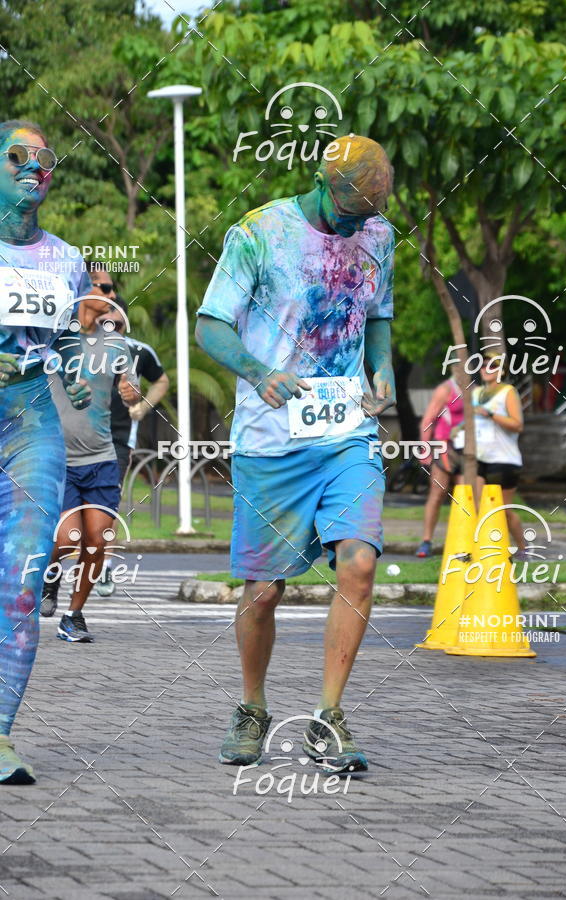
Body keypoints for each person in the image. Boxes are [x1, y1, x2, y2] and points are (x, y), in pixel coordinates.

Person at [196, 134, 395, 773]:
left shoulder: (379, 236)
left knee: (359, 564)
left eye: (367, 213)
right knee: (263, 592)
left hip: (345, 434)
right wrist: (258, 372)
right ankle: (252, 706)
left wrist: (382, 370)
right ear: (321, 181)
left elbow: (380, 313)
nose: (355, 224)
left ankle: (328, 716)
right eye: (348, 211)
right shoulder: (258, 233)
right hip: (270, 439)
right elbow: (211, 325)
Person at [0, 119, 92, 783]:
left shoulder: (66, 260)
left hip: (32, 428)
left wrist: (80, 368)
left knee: (25, 586)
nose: (34, 169)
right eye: (16, 159)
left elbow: (62, 341)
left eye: (44, 160)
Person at [41, 263, 141, 641]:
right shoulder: (53, 337)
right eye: (106, 288)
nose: (113, 296)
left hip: (100, 458)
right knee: (67, 539)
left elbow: (131, 385)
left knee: (99, 540)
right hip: (58, 458)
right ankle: (49, 579)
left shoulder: (116, 342)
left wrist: (132, 391)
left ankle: (74, 614)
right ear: (83, 290)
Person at [95, 295, 169, 596]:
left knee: (107, 504)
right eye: (100, 313)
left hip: (118, 438)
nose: (105, 318)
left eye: (111, 312)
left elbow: (161, 381)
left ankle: (103, 569)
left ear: (123, 318)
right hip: (75, 437)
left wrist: (144, 406)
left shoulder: (139, 351)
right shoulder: (79, 347)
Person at [471, 352, 527, 557]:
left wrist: (492, 414)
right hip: (479, 458)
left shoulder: (508, 392)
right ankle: (487, 551)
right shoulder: (475, 393)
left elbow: (517, 425)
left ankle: (523, 548)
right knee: (477, 507)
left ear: (501, 371)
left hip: (504, 460)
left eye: (492, 366)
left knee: (502, 511)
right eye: (483, 365)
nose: (486, 369)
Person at [415, 371, 464, 558]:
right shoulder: (446, 389)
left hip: (466, 450)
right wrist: (425, 448)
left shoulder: (475, 389)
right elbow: (428, 420)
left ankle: (460, 543)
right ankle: (426, 541)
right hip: (444, 448)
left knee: (464, 497)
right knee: (437, 494)